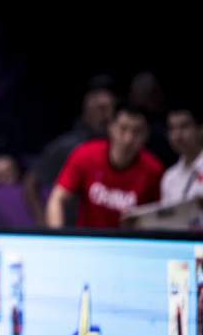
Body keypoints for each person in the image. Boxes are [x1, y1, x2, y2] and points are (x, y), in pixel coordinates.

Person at [46, 103, 163, 228]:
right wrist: (58, 234)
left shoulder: (154, 170)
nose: (128, 139)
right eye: (123, 129)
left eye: (137, 132)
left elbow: (159, 217)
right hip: (89, 236)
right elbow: (57, 199)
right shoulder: (86, 155)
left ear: (146, 135)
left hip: (130, 238)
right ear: (111, 127)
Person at [23, 75, 117, 225]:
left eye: (107, 108)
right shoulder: (67, 146)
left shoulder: (120, 148)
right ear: (86, 108)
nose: (103, 115)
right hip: (71, 230)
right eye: (99, 108)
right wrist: (43, 223)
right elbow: (31, 183)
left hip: (110, 231)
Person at [161, 107, 203, 204]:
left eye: (184, 127)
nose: (177, 135)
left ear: (200, 129)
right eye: (172, 129)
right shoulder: (169, 177)